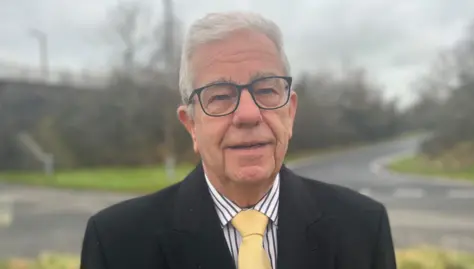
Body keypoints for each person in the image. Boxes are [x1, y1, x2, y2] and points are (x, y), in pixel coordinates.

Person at [80, 11, 397, 269]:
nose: (248, 114)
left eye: (266, 90)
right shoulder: (116, 244)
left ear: (290, 112)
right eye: (219, 96)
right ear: (191, 124)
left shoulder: (363, 227)